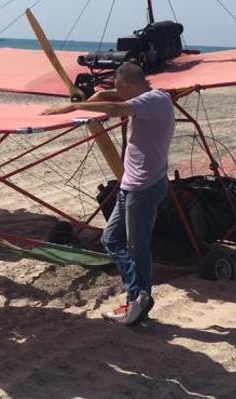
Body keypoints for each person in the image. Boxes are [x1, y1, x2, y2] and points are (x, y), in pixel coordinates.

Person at [43, 62, 174, 326]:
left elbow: (116, 108)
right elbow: (109, 99)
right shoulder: (151, 97)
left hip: (144, 188)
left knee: (138, 247)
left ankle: (138, 300)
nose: (117, 92)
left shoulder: (151, 101)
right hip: (131, 184)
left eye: (118, 87)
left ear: (125, 85)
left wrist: (73, 107)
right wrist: (94, 96)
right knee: (110, 239)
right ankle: (138, 295)